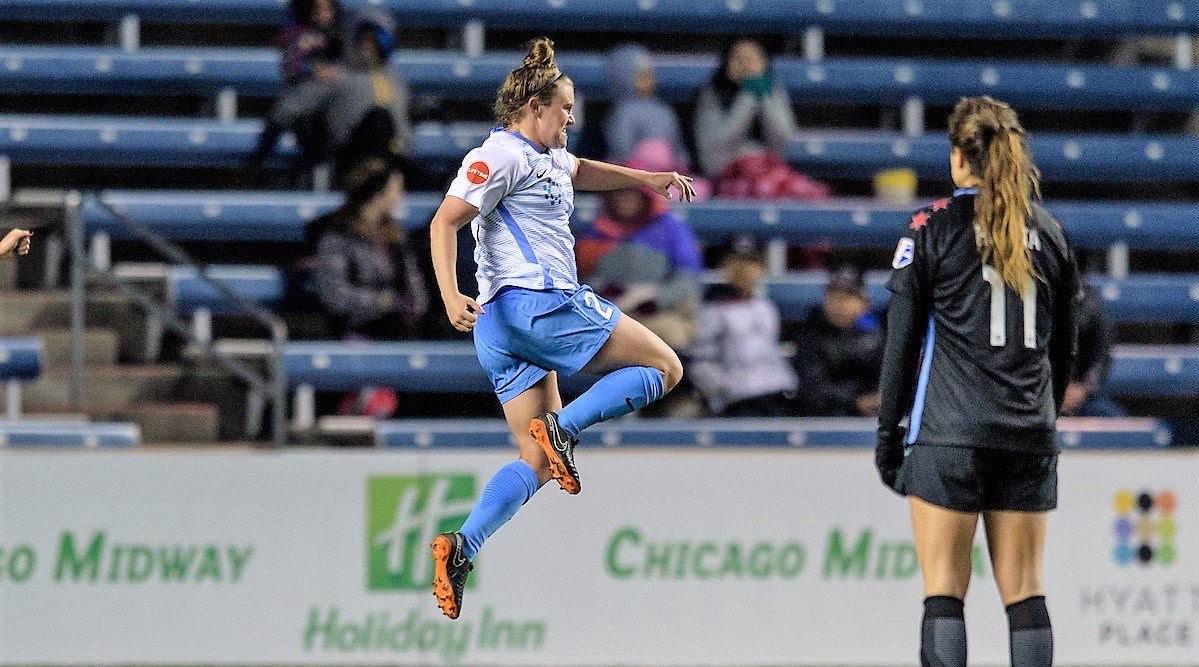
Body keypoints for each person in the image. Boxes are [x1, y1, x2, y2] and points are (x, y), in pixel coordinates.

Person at [425, 37, 695, 620]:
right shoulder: (499, 155)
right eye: (565, 108)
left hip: (502, 331)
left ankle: (463, 544)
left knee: (537, 459)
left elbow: (583, 171)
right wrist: (449, 295)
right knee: (666, 366)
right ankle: (564, 428)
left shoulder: (547, 156)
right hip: (540, 305)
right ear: (535, 107)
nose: (572, 119)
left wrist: (647, 179)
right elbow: (444, 222)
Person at [874, 97, 1080, 667]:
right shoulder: (1051, 233)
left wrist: (888, 436)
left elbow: (901, 345)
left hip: (949, 434)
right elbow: (1064, 351)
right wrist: (1041, 417)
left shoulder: (930, 228)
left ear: (959, 157)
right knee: (1026, 593)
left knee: (944, 590)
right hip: (1027, 433)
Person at [254, 10, 412, 185]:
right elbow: (289, 107)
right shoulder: (337, 76)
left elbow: (403, 128)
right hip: (351, 161)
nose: (368, 47)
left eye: (375, 40)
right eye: (364, 39)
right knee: (378, 119)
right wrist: (265, 146)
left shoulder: (395, 82)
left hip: (393, 163)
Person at [575, 154, 703, 351]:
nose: (626, 200)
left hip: (660, 313)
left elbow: (688, 280)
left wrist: (654, 297)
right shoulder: (596, 229)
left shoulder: (670, 229)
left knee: (669, 335)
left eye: (633, 194)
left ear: (646, 197)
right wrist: (609, 291)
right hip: (610, 315)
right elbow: (581, 279)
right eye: (620, 193)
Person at [306, 157, 429, 341]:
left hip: (396, 330)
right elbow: (335, 295)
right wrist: (383, 302)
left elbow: (415, 286)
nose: (401, 195)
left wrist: (413, 306)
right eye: (396, 189)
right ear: (378, 193)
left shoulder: (395, 236)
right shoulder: (337, 235)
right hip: (354, 330)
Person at [693, 39, 830, 202]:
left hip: (770, 170)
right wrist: (748, 96)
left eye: (752, 58)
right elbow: (716, 146)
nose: (746, 64)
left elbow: (784, 138)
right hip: (726, 173)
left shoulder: (772, 90)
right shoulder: (712, 94)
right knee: (764, 188)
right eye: (739, 58)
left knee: (810, 193)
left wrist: (763, 97)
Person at [689, 235, 798, 417]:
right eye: (736, 261)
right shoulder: (713, 309)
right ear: (724, 266)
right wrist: (727, 388)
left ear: (762, 268)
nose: (743, 269)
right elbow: (700, 364)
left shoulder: (766, 307)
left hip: (778, 394)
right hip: (740, 401)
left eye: (750, 262)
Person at [791, 266, 884, 417]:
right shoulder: (810, 336)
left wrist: (880, 399)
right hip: (823, 419)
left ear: (863, 303)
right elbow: (812, 389)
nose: (839, 305)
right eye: (833, 297)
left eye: (847, 298)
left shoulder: (875, 337)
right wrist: (854, 402)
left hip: (870, 418)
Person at [603, 44, 690, 165]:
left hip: (667, 171)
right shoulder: (623, 113)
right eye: (641, 76)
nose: (648, 81)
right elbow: (621, 148)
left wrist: (680, 163)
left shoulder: (664, 111)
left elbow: (677, 145)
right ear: (621, 76)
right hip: (634, 172)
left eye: (649, 75)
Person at [1060, 282, 1125, 417]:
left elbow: (1101, 355)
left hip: (1082, 395)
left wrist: (1083, 389)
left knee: (1112, 417)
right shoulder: (1031, 301)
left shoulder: (1088, 299)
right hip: (1040, 396)